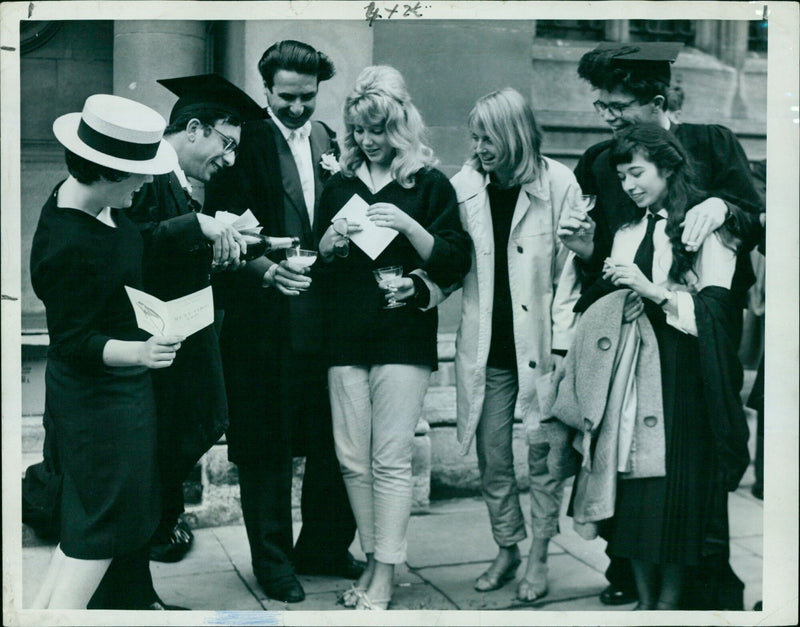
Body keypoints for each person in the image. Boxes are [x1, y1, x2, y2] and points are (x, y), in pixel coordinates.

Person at [560, 41, 763, 607]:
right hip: (628, 339)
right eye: (601, 106)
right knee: (624, 460)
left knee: (685, 471)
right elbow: (608, 255)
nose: (607, 116)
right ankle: (628, 571)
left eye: (617, 106)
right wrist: (582, 250)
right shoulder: (603, 160)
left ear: (654, 100)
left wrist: (723, 207)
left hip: (697, 331)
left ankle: (703, 588)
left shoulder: (712, 143)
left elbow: (754, 219)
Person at [85, 75, 266, 611]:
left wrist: (217, 246)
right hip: (149, 358)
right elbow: (130, 251)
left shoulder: (177, 184)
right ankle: (128, 595)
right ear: (193, 128)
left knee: (160, 469)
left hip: (179, 350)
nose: (229, 160)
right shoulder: (144, 178)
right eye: (226, 144)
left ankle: (137, 588)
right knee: (145, 475)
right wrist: (197, 228)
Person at [204, 41, 361, 603]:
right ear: (266, 88)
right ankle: (271, 561)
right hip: (263, 327)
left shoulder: (328, 141)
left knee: (330, 439)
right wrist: (266, 270)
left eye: (308, 96)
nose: (298, 107)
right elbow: (223, 231)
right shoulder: (242, 143)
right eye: (287, 96)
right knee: (267, 447)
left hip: (325, 320)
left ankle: (321, 545)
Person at [314, 65, 470, 610]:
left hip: (402, 337)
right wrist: (331, 242)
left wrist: (408, 227)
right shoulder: (339, 184)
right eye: (359, 130)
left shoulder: (428, 184)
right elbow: (321, 267)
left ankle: (384, 571)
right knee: (353, 459)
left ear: (400, 125)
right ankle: (375, 555)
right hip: (344, 335)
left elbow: (455, 258)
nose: (367, 141)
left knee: (390, 458)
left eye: (377, 129)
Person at [29, 94, 182, 609]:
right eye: (136, 177)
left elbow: (124, 253)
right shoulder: (69, 241)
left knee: (92, 525)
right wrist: (139, 354)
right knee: (101, 527)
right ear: (106, 171)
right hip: (99, 406)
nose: (144, 186)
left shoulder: (89, 200)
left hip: (118, 400)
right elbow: (72, 343)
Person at [430, 88, 581, 602]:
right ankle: (507, 546)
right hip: (489, 347)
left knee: (544, 457)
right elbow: (452, 261)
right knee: (493, 457)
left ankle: (539, 554)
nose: (477, 146)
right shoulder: (465, 185)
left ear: (512, 134)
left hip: (542, 347)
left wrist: (563, 347)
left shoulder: (559, 183)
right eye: (475, 136)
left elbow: (571, 274)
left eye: (486, 136)